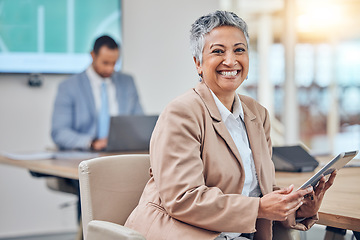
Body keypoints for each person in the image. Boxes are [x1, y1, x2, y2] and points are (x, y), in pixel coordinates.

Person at [124, 10, 336, 240]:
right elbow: (183, 198)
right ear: (198, 63)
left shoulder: (257, 114)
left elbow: (260, 193)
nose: (231, 60)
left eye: (239, 50)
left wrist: (298, 208)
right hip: (184, 233)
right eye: (218, 51)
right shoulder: (181, 113)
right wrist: (259, 208)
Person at [51, 35, 143, 152]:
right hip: (83, 156)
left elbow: (139, 123)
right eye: (105, 63)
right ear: (93, 56)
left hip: (120, 153)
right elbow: (59, 132)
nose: (110, 69)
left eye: (114, 63)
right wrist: (92, 143)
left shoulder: (127, 83)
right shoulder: (69, 87)